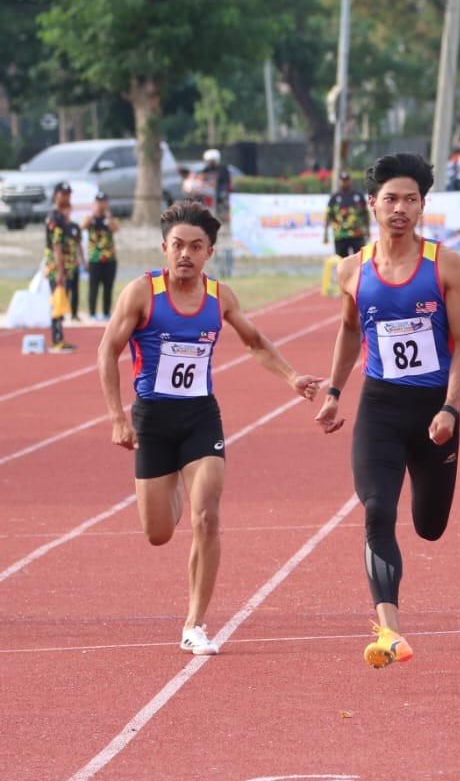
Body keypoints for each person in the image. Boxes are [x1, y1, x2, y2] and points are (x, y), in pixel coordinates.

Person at [98, 201, 322, 656]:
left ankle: (195, 623)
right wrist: (117, 417)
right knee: (158, 532)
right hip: (153, 419)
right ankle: (175, 485)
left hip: (201, 416)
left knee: (208, 518)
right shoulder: (142, 293)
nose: (185, 254)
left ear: (209, 252)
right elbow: (107, 351)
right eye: (178, 245)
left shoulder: (221, 297)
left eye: (195, 247)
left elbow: (255, 342)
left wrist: (293, 377)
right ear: (164, 248)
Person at [314, 152, 460, 668]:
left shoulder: (445, 265)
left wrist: (451, 407)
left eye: (410, 199)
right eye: (391, 199)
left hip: (434, 412)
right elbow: (348, 329)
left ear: (422, 206)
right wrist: (336, 392)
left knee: (429, 526)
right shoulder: (352, 270)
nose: (400, 208)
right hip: (380, 407)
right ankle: (391, 631)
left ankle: (394, 615)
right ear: (372, 205)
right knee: (377, 510)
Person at [43, 182, 81, 349]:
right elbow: (56, 245)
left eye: (68, 194)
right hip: (58, 267)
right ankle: (57, 339)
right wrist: (59, 271)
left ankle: (59, 337)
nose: (66, 197)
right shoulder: (54, 218)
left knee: (61, 300)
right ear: (56, 195)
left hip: (66, 267)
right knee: (57, 301)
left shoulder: (63, 217)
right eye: (63, 194)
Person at [83, 190, 119, 322]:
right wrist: (94, 213)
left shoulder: (109, 218)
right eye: (99, 202)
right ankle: (92, 312)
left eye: (103, 202)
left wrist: (107, 215)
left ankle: (106, 312)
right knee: (94, 286)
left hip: (109, 258)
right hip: (94, 258)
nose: (101, 204)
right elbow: (83, 226)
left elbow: (115, 228)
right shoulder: (90, 218)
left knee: (108, 287)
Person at [324, 169, 369, 257]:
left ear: (350, 181)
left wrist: (368, 230)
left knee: (360, 260)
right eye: (342, 180)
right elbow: (329, 215)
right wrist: (325, 233)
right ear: (339, 181)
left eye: (346, 180)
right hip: (341, 235)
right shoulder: (334, 197)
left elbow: (365, 214)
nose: (344, 182)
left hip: (357, 234)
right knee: (342, 261)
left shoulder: (358, 196)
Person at [202, 149, 232, 217]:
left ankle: (222, 215)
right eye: (209, 161)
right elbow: (202, 179)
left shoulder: (223, 169)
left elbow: (226, 181)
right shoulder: (206, 169)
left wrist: (223, 190)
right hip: (208, 191)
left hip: (220, 190)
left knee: (222, 198)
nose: (210, 163)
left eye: (212, 161)